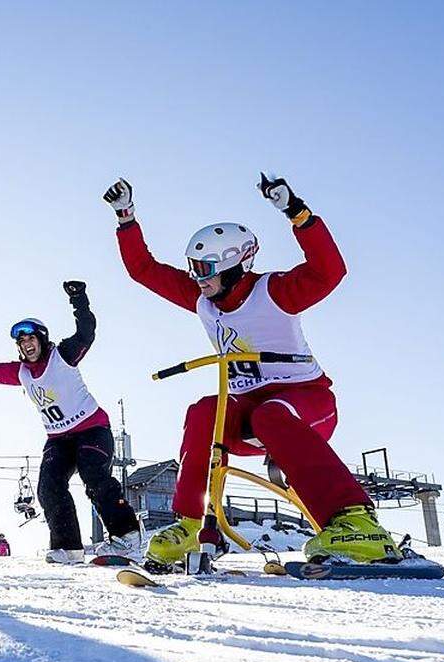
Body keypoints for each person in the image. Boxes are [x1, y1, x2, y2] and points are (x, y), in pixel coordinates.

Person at [105, 173, 398, 567]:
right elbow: (144, 270)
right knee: (204, 411)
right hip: (244, 411)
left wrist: (298, 214)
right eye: (193, 267)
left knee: (269, 414)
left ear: (235, 265)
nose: (197, 277)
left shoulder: (272, 292)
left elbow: (329, 271)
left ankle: (356, 522)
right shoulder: (202, 300)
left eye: (205, 268)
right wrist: (126, 218)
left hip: (305, 403)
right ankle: (191, 523)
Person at [0, 282, 142, 564]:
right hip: (59, 438)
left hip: (92, 430)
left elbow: (86, 332)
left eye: (31, 339)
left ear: (42, 339)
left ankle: (127, 537)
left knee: (93, 476)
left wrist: (78, 299)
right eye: (21, 342)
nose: (26, 345)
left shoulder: (63, 354)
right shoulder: (21, 372)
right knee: (48, 486)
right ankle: (68, 548)